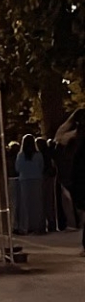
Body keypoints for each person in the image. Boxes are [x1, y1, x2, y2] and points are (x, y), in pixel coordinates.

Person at [54, 109, 85, 256]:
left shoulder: (74, 138)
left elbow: (59, 136)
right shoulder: (77, 138)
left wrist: (73, 118)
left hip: (78, 178)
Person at [14, 134, 45, 235]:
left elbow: (18, 168)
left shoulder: (20, 155)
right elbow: (42, 166)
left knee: (26, 205)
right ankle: (38, 226)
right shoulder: (38, 155)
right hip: (37, 179)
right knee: (37, 204)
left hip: (24, 180)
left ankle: (27, 226)